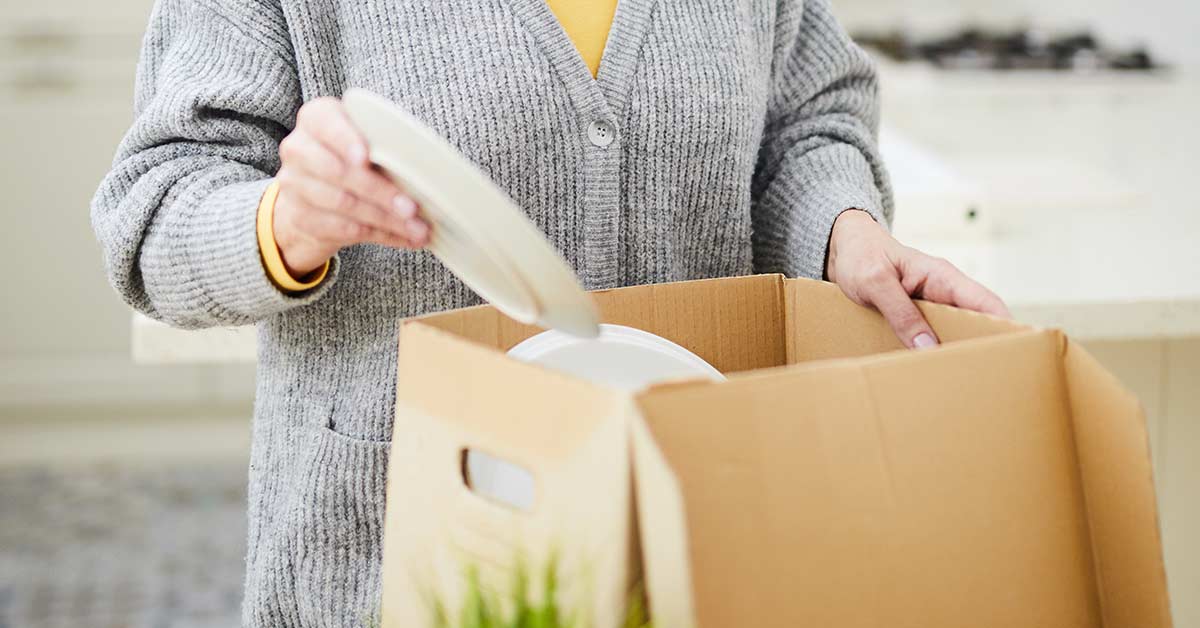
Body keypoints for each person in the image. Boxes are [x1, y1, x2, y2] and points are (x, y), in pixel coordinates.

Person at [92, 0, 1009, 625]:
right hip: (387, 565)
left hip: (689, 545)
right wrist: (286, 220)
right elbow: (154, 214)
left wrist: (841, 229)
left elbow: (808, 122)